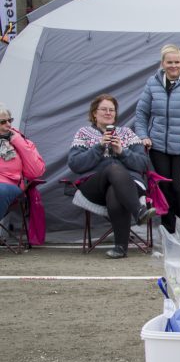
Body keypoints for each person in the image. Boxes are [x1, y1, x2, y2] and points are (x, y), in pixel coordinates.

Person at [133, 43, 180, 233]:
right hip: (158, 147)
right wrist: (143, 136)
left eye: (177, 62)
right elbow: (141, 113)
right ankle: (168, 232)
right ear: (162, 64)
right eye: (169, 62)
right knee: (164, 190)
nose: (173, 65)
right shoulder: (153, 82)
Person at [67, 94, 151, 259]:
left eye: (111, 110)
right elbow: (75, 164)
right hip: (95, 187)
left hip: (129, 186)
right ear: (94, 113)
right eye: (104, 109)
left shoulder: (127, 133)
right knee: (112, 167)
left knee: (115, 191)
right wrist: (99, 147)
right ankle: (138, 211)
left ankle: (120, 247)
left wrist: (122, 152)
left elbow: (143, 163)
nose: (108, 113)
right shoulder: (83, 133)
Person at [0, 103, 46, 217]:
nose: (8, 124)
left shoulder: (22, 141)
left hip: (9, 185)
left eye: (10, 120)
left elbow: (36, 172)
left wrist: (18, 141)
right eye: (3, 122)